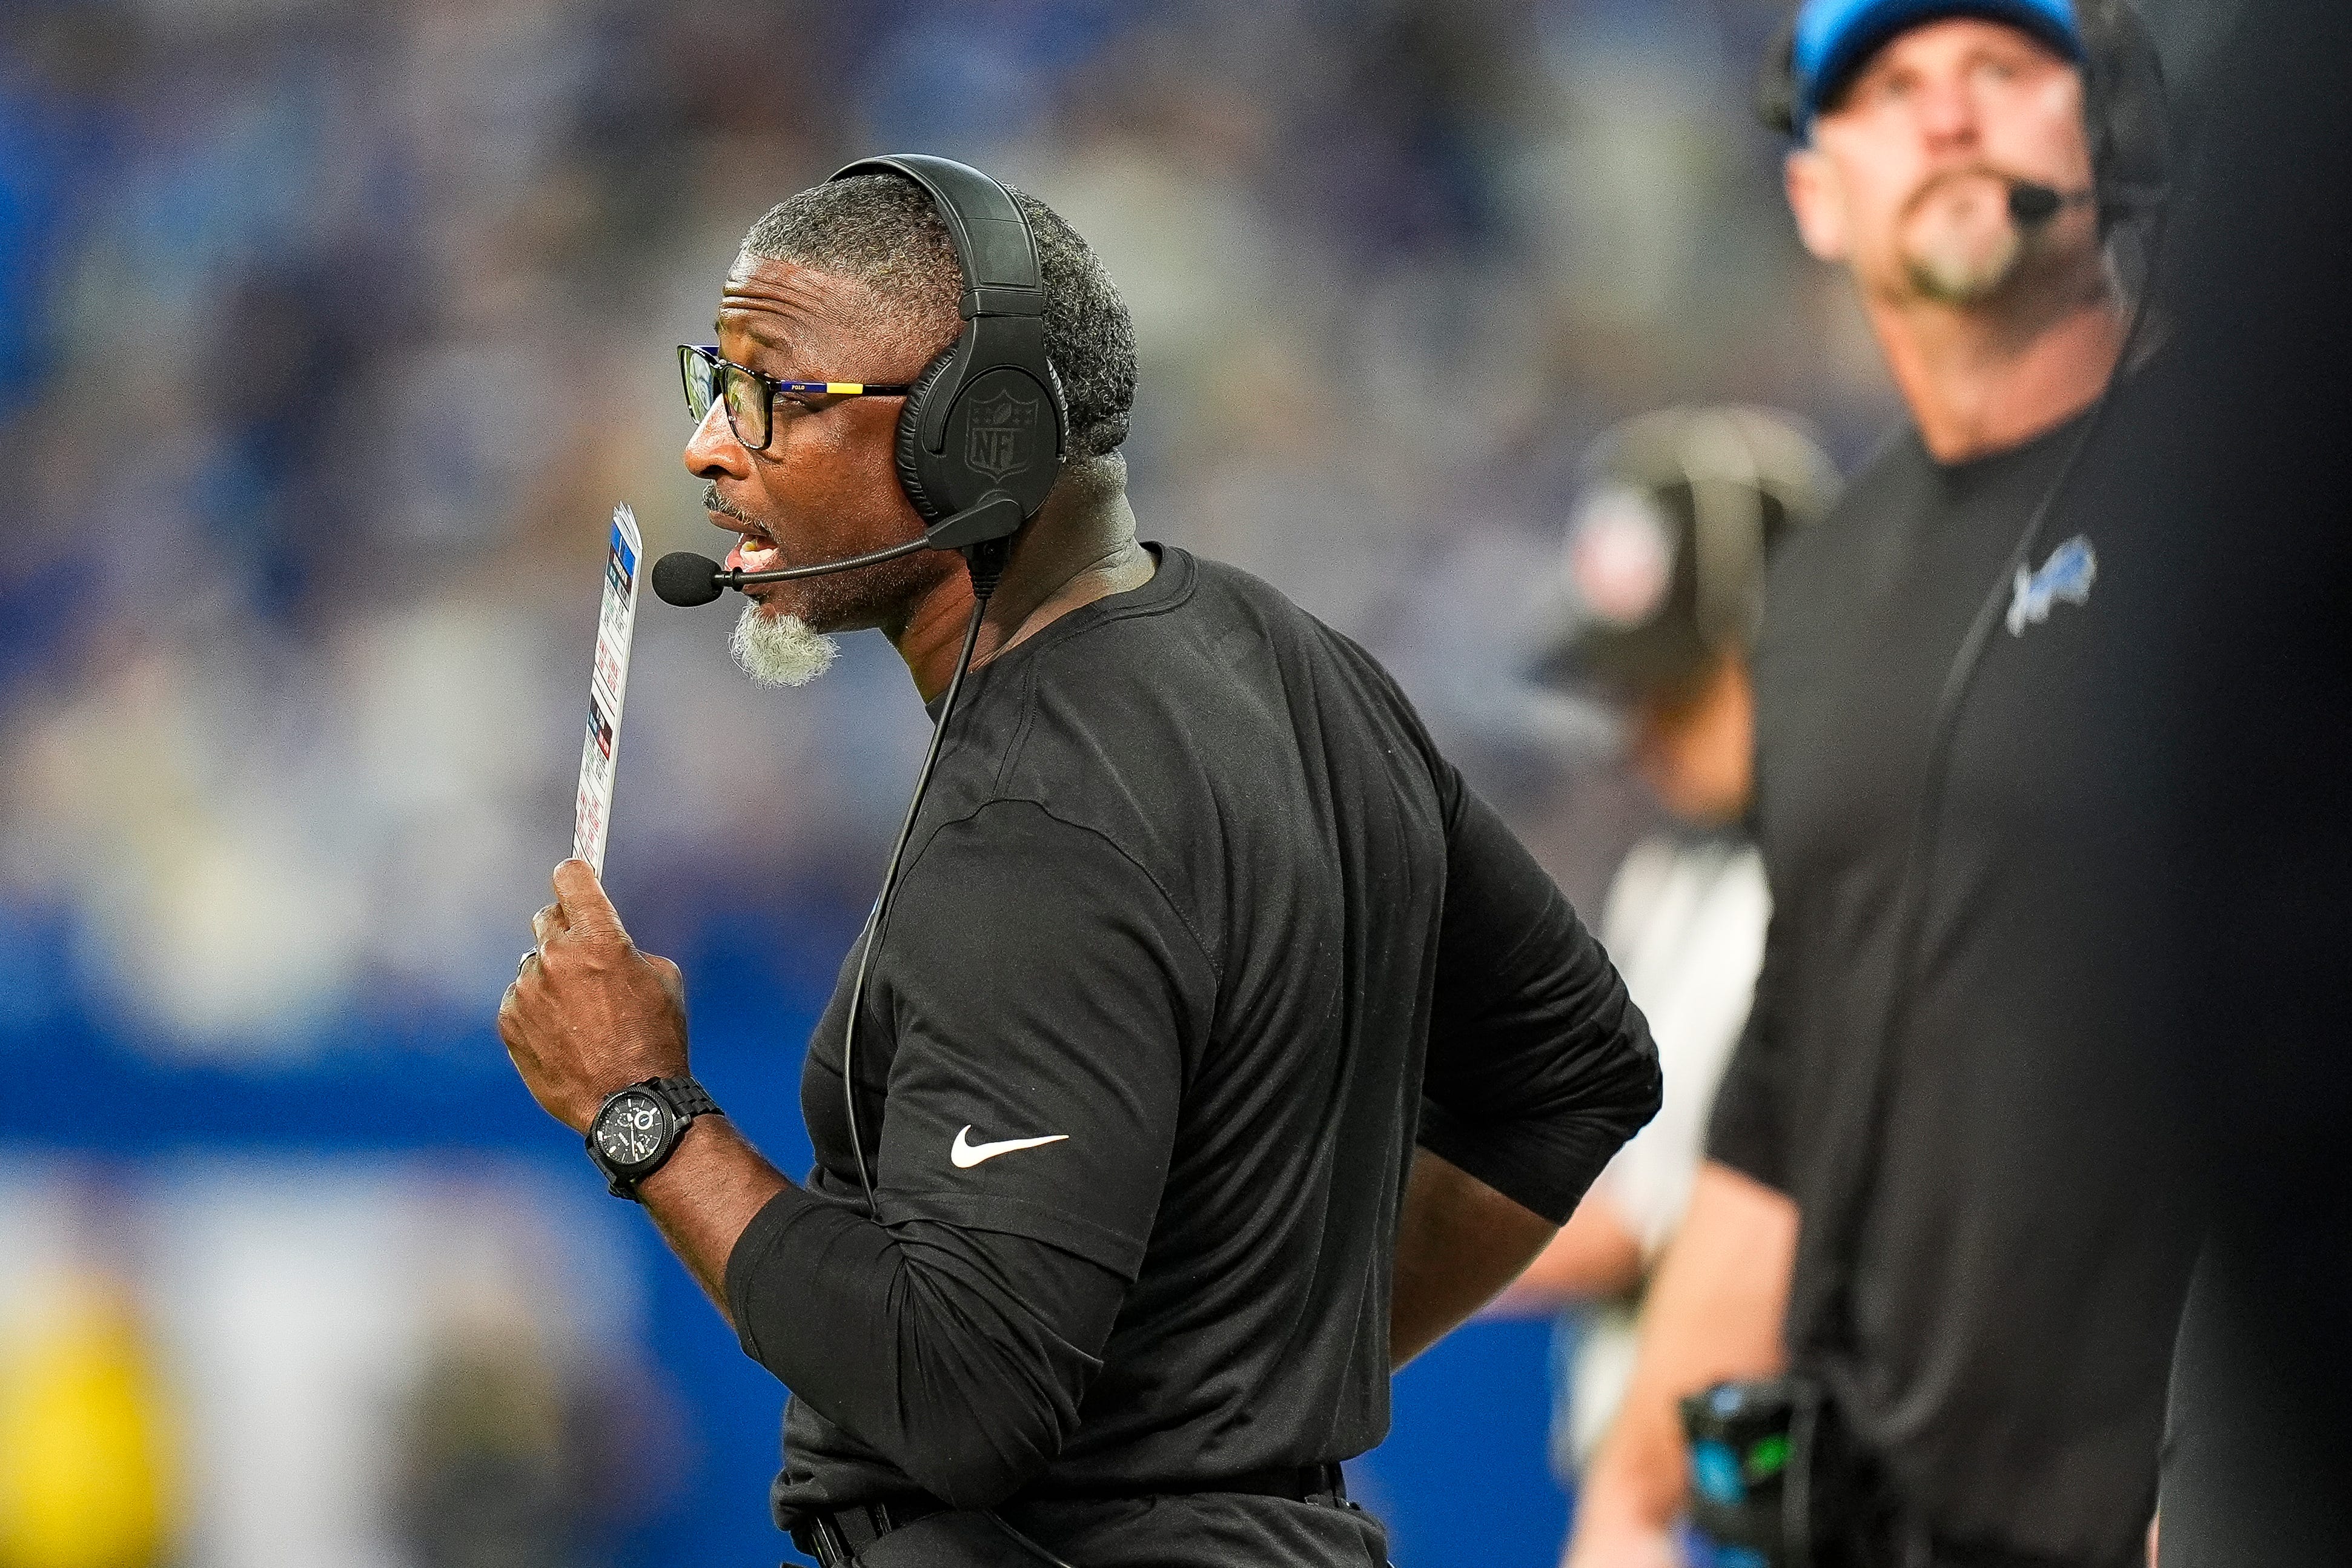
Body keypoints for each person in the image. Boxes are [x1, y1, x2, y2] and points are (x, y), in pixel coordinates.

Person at [495, 157, 1661, 1568]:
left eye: (771, 391)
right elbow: (1575, 1069)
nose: (705, 444)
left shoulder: (1037, 820)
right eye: (713, 380)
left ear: (972, 437)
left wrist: (643, 1110)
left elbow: (961, 1396)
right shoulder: (1293, 659)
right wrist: (1233, 1410)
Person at [1567, 4, 2198, 1567]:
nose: (1950, 117)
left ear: (2105, 129)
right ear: (1815, 192)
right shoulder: (1827, 596)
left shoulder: (2244, 498)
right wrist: (1634, 1498)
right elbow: (1786, 1089)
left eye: (2001, 70)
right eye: (1892, 88)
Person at [1490, 409, 1836, 1492]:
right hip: (1668, 1476)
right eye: (1628, 690)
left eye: (1676, 688)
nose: (1639, 730)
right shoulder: (1669, 876)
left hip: (1771, 1470)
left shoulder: (1847, 888)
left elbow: (1639, 1221)